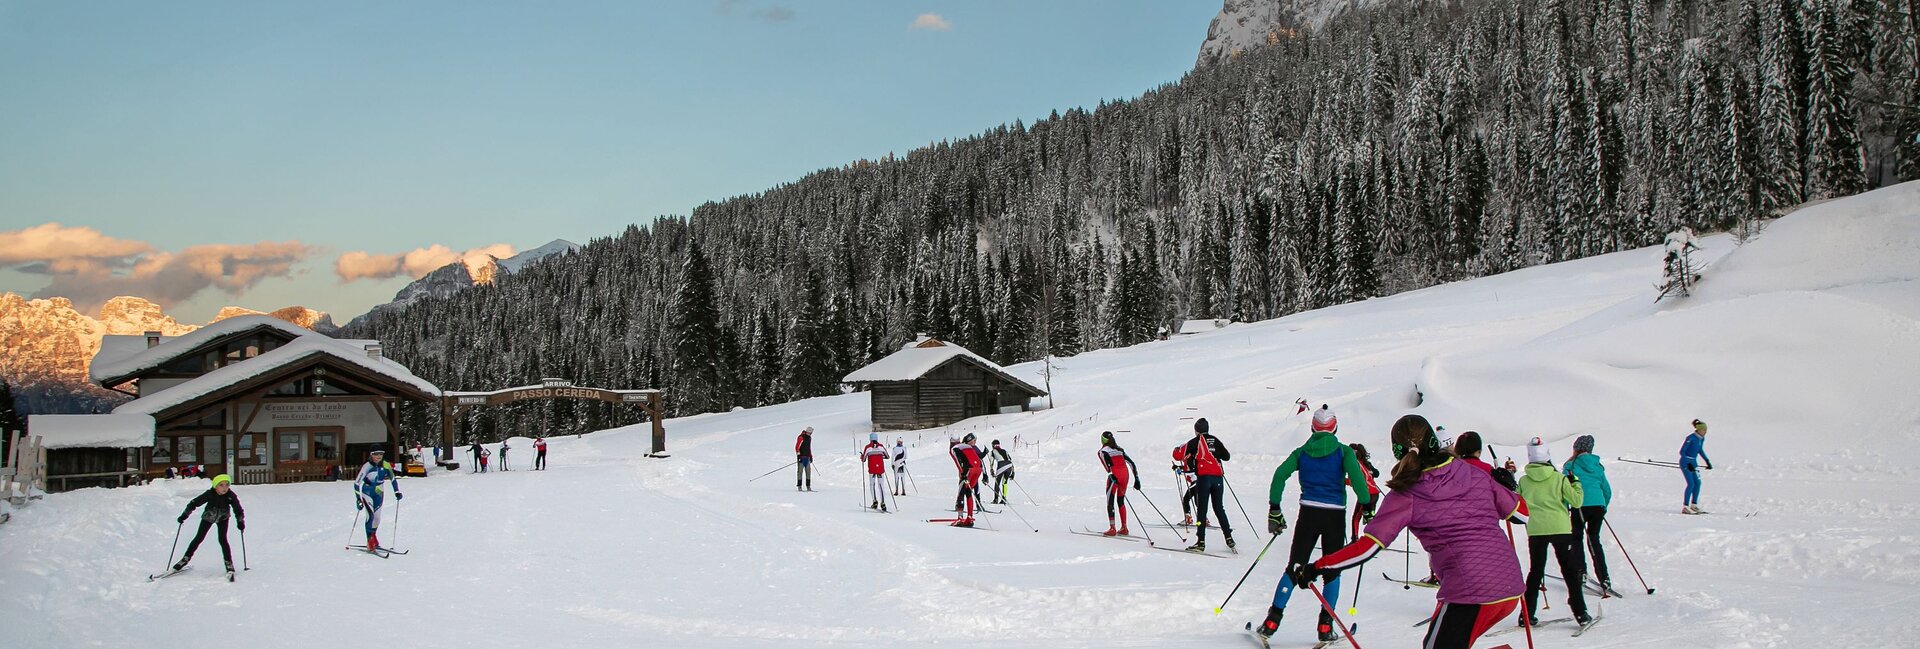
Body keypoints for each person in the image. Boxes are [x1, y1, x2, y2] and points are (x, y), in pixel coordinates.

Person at [1283, 414, 1529, 649]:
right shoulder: (1473, 473)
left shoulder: (1406, 492)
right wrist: (1508, 485)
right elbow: (1521, 515)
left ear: (1396, 452)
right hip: (1509, 586)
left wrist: (1318, 566)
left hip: (1471, 592)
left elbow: (1367, 547)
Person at [1255, 405, 1372, 643]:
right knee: (1332, 569)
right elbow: (1360, 484)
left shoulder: (1301, 452)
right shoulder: (1343, 452)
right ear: (1335, 428)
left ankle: (1272, 620)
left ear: (1313, 428)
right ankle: (1325, 626)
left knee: (1295, 566)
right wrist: (1367, 506)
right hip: (1335, 516)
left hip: (1308, 513)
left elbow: (1279, 475)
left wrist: (1275, 508)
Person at [1516, 437, 1591, 627]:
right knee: (1569, 571)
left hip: (1536, 530)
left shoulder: (1524, 481)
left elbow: (1516, 502)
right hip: (1560, 528)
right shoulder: (1559, 478)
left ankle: (1526, 615)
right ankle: (1580, 613)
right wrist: (1576, 484)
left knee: (1535, 572)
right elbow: (1576, 502)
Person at [1564, 434, 1615, 595]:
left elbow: (1565, 488)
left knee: (1576, 538)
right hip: (1598, 504)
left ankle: (1581, 572)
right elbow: (1607, 489)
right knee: (1594, 539)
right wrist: (1603, 506)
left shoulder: (1570, 465)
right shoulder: (1597, 465)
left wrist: (1565, 508)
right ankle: (1604, 578)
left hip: (1580, 505)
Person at [172, 473, 245, 578]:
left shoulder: (230, 496)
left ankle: (228, 563)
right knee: (198, 538)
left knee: (223, 540)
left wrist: (240, 521)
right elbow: (193, 503)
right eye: (221, 485)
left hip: (223, 518)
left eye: (227, 485)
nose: (225, 488)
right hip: (208, 517)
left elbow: (238, 510)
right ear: (215, 486)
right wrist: (184, 516)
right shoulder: (209, 494)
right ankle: (185, 559)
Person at [1179, 417, 1234, 552]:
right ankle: (1229, 538)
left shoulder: (1194, 442)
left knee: (1202, 511)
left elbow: (1182, 456)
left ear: (1196, 430)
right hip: (1218, 479)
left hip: (1204, 478)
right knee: (1219, 508)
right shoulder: (1215, 440)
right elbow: (1226, 456)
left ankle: (1201, 542)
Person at [353, 447, 403, 551]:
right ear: (371, 455)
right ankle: (369, 540)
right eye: (376, 454)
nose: (379, 456)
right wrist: (358, 499)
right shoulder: (367, 466)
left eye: (381, 454)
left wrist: (397, 491)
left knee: (377, 518)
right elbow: (357, 483)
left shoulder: (385, 464)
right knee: (370, 515)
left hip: (379, 492)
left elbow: (392, 479)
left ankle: (373, 536)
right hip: (367, 492)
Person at [1097, 431, 1140, 536]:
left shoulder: (1102, 451)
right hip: (1125, 476)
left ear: (1102, 440)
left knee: (1110, 500)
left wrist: (1113, 473)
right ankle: (1124, 527)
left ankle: (1112, 528)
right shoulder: (1119, 450)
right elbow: (1132, 463)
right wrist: (1137, 479)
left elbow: (1108, 468)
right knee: (1121, 501)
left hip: (1114, 477)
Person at [1347, 443, 1381, 535]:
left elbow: (1355, 481)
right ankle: (1375, 538)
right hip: (1375, 494)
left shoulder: (1355, 464)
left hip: (1366, 494)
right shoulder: (1366, 463)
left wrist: (1341, 480)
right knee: (1370, 518)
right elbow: (1376, 473)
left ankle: (1355, 539)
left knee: (1356, 517)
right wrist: (1371, 473)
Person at [1679, 419, 1713, 514]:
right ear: (1698, 430)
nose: (1705, 432)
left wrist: (1707, 461)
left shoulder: (1701, 439)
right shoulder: (1691, 438)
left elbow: (1700, 450)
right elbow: (1682, 452)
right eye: (1703, 430)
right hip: (1686, 462)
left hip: (1694, 462)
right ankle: (1685, 506)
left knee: (1698, 483)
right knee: (1691, 484)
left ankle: (1694, 505)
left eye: (1706, 430)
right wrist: (1687, 462)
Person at [951, 433, 984, 527]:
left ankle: (960, 518)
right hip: (978, 468)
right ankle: (969, 517)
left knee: (961, 492)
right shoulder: (967, 446)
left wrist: (963, 473)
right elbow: (977, 458)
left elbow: (958, 462)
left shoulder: (954, 448)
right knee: (969, 492)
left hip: (969, 469)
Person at [862, 433, 890, 511]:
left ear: (870, 439)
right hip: (880, 468)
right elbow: (887, 456)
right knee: (881, 485)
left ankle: (875, 501)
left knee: (872, 484)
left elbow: (863, 459)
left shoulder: (867, 447)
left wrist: (862, 457)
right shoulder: (881, 446)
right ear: (877, 438)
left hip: (872, 469)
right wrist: (880, 456)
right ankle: (883, 503)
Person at [1173, 445, 1197, 525]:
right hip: (1198, 482)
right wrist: (1178, 467)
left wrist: (1181, 472)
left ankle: (1188, 518)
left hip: (1196, 482)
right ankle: (1204, 519)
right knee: (1198, 502)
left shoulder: (1190, 459)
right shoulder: (1189, 458)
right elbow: (1187, 468)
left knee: (1186, 499)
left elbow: (1193, 471)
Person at [989, 440, 1015, 505]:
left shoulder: (993, 452)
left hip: (1001, 465)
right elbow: (1010, 460)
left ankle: (996, 499)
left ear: (993, 445)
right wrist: (1013, 472)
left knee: (997, 482)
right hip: (1009, 465)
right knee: (1005, 482)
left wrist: (991, 470)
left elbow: (991, 462)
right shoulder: (1005, 451)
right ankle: (1004, 498)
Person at [795, 427, 814, 492]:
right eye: (810, 433)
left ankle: (808, 486)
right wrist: (799, 456)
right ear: (807, 432)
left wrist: (811, 456)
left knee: (808, 472)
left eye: (811, 433)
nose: (810, 434)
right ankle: (799, 486)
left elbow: (809, 448)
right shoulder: (801, 437)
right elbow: (797, 447)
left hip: (807, 457)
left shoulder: (809, 438)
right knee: (800, 472)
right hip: (801, 458)